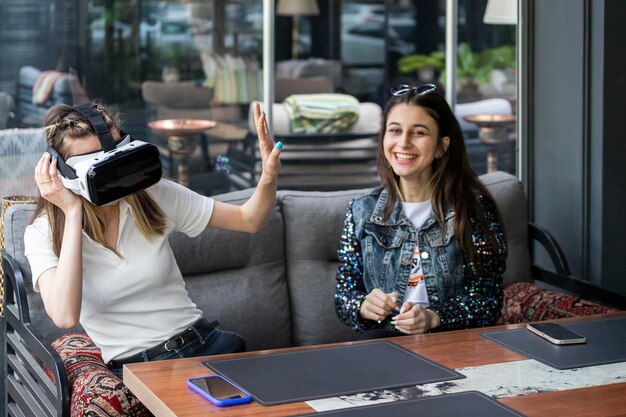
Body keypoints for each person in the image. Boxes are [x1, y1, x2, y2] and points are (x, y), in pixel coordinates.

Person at [24, 101, 282, 378]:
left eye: (118, 157)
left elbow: (248, 219)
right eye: (98, 167)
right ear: (61, 171)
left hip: (204, 344)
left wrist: (268, 176)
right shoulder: (42, 233)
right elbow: (64, 316)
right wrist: (73, 212)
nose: (115, 174)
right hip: (136, 369)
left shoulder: (153, 195)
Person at [334, 84, 507, 338]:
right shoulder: (362, 211)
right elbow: (343, 296)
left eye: (418, 133)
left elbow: (488, 301)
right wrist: (362, 306)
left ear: (441, 146)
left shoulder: (472, 210)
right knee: (376, 339)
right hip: (385, 342)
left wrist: (433, 317)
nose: (403, 143)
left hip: (451, 344)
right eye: (395, 131)